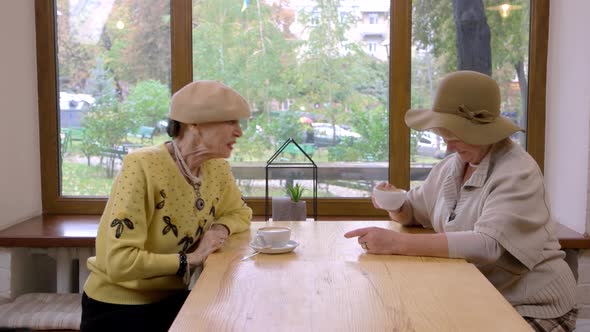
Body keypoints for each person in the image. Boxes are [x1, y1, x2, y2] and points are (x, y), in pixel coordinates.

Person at [344, 71, 577, 332]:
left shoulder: (517, 170)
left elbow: (489, 244)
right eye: (445, 137)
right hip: (480, 299)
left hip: (531, 306)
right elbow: (414, 211)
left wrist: (397, 243)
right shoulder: (454, 165)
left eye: (454, 137)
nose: (449, 147)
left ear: (484, 130)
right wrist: (395, 203)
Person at [81, 81, 252, 332]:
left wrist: (219, 230)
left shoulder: (216, 168)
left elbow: (239, 212)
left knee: (239, 315)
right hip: (119, 309)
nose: (239, 132)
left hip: (169, 301)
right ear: (194, 124)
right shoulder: (142, 166)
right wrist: (192, 258)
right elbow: (117, 262)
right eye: (230, 122)